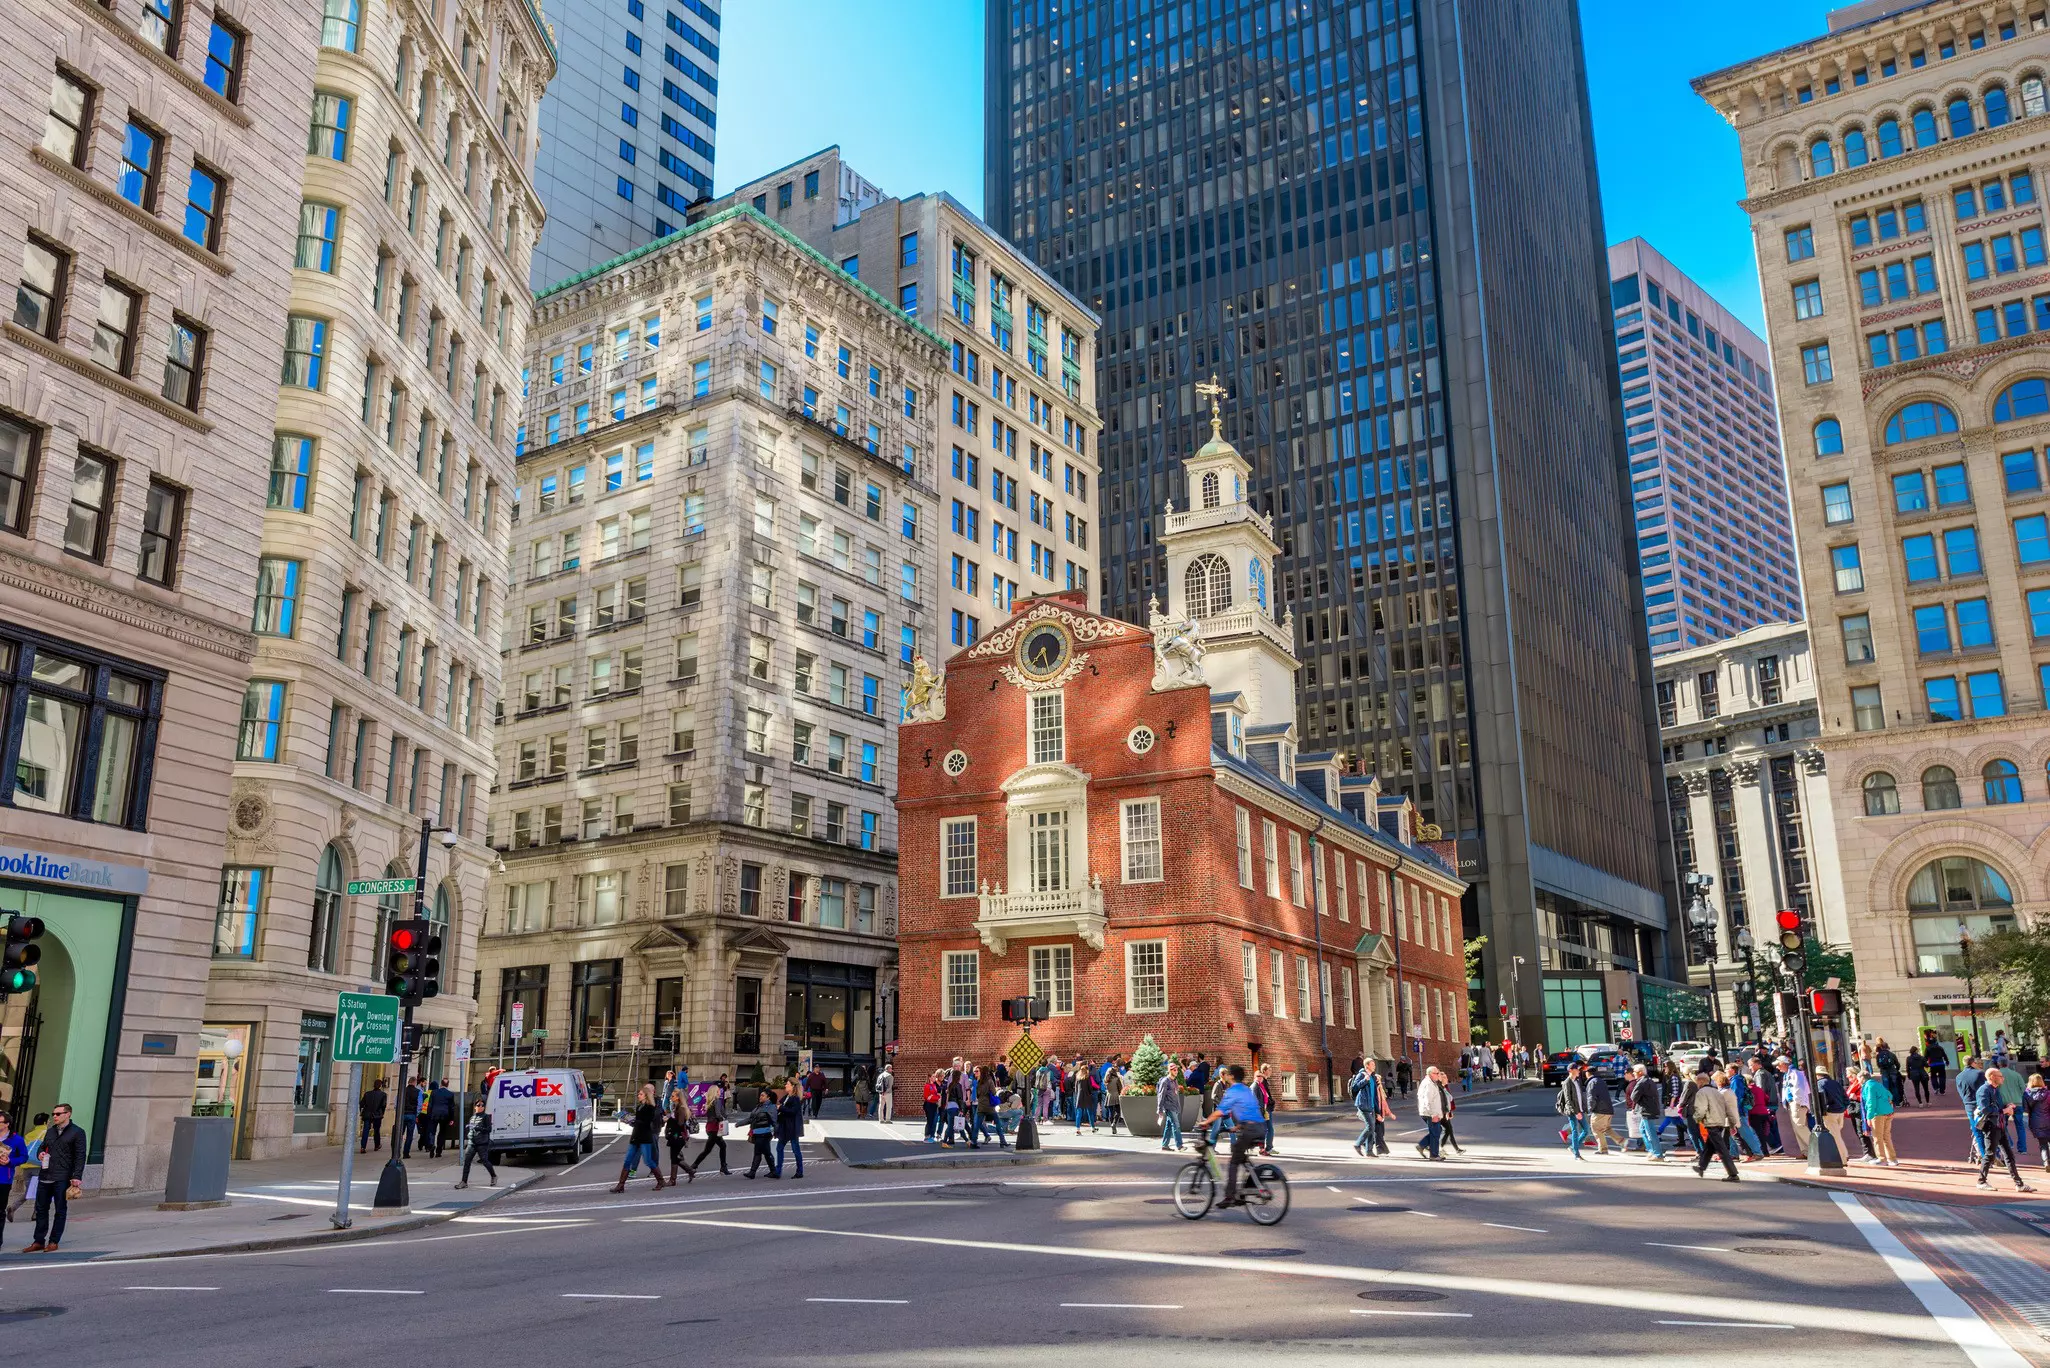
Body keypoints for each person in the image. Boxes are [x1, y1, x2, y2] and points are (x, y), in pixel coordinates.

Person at [1199, 1064, 1270, 1205]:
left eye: (1229, 1074)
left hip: (1250, 1129)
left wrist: (1206, 1122)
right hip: (1260, 1127)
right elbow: (1250, 1108)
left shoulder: (1233, 1090)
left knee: (1234, 1160)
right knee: (1240, 1155)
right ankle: (1247, 1186)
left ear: (1231, 1076)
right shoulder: (1246, 1089)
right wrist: (1237, 1126)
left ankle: (1230, 1196)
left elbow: (1221, 1110)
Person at [23, 1102, 86, 1254]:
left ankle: (53, 1241)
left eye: (58, 1114)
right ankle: (38, 1241)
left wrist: (76, 1176)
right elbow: (42, 1146)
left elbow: (80, 1156)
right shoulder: (50, 1131)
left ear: (68, 1114)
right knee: (41, 1209)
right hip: (45, 1175)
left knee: (60, 1209)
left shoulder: (77, 1132)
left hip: (62, 1177)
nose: (55, 1116)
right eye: (53, 1114)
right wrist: (40, 1153)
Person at [1976, 1067, 2034, 1192]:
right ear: (1992, 1077)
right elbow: (1985, 1110)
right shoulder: (1984, 1090)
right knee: (1990, 1154)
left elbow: (1997, 1106)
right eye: (2000, 1076)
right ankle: (1981, 1181)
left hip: (2000, 1126)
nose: (2003, 1078)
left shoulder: (1995, 1090)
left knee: (2009, 1155)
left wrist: (2007, 1106)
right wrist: (2004, 1110)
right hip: (1991, 1127)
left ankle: (2019, 1184)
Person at [609, 1084, 667, 1193]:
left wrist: (632, 1121)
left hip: (645, 1136)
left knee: (648, 1160)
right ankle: (621, 1185)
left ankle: (661, 1180)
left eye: (640, 1094)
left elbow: (645, 1122)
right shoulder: (640, 1107)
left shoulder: (650, 1107)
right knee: (627, 1161)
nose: (638, 1096)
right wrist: (628, 1120)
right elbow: (639, 1122)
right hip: (636, 1136)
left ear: (646, 1096)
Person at [1691, 1070, 1742, 1181]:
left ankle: (1733, 1174)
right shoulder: (1717, 1092)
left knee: (1721, 1149)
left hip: (1711, 1122)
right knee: (1709, 1146)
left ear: (1699, 1082)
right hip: (1720, 1122)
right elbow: (1727, 1108)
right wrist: (1733, 1123)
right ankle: (1701, 1167)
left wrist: (1696, 1119)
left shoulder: (1701, 1092)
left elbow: (1701, 1109)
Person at [7, 1112, 46, 1225]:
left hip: (26, 1166)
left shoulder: (29, 1134)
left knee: (30, 1190)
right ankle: (35, 1213)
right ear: (44, 1122)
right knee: (39, 1191)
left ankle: (14, 1207)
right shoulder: (47, 1133)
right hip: (39, 1166)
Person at [682, 1082, 729, 1177]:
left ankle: (722, 1166)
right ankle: (693, 1167)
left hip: (710, 1127)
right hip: (715, 1128)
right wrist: (724, 1120)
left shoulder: (710, 1102)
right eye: (718, 1090)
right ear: (715, 1092)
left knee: (719, 1147)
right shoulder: (716, 1101)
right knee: (711, 1149)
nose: (720, 1091)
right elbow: (718, 1114)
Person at [1350, 1059, 1393, 1157]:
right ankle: (1357, 1144)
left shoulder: (1373, 1077)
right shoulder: (1361, 1075)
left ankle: (1369, 1151)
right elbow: (1355, 1088)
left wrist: (1378, 1112)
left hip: (1371, 1105)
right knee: (1370, 1127)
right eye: (1372, 1064)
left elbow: (1374, 1096)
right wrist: (1365, 1080)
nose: (1374, 1066)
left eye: (1374, 1064)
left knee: (1372, 1128)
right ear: (1367, 1066)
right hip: (1363, 1104)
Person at [453, 1098, 497, 1189]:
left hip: (482, 1143)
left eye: (482, 1105)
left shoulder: (486, 1117)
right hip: (472, 1143)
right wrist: (468, 1133)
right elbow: (470, 1129)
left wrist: (479, 1128)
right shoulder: (472, 1117)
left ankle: (493, 1176)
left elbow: (489, 1130)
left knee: (484, 1160)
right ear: (475, 1107)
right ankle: (464, 1181)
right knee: (467, 1162)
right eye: (478, 1105)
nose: (480, 1107)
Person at [1860, 1066, 1899, 1167]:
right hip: (1888, 1112)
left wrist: (1869, 1117)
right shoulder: (1878, 1084)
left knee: (1877, 1137)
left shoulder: (1868, 1086)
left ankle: (1882, 1159)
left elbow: (1870, 1102)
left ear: (1862, 1078)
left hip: (1877, 1114)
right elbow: (1890, 1095)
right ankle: (1892, 1159)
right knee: (1886, 1136)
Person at [1628, 1064, 1667, 1162]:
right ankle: (1652, 1150)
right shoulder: (1649, 1080)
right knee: (1643, 1129)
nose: (1633, 1074)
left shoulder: (1642, 1082)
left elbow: (1633, 1096)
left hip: (1646, 1110)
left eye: (1635, 1072)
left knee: (1650, 1132)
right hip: (1649, 1109)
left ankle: (1657, 1154)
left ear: (1640, 1072)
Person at [1557, 1061, 1595, 1160]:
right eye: (1576, 1069)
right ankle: (1576, 1154)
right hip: (1573, 1111)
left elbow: (1580, 1096)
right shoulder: (1567, 1082)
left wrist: (1584, 1109)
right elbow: (1568, 1099)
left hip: (1580, 1110)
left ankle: (1573, 1147)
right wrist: (1576, 1112)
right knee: (1574, 1131)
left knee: (1586, 1130)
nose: (1578, 1070)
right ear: (1571, 1070)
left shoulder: (1577, 1081)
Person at [0, 1111, 27, 1250]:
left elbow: (24, 1157)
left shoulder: (17, 1140)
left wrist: (10, 1161)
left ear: (7, 1124)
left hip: (3, 1179)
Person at [1415, 1065, 1451, 1160]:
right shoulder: (1428, 1084)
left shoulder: (1432, 1082)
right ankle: (1434, 1155)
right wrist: (1433, 1114)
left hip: (1431, 1112)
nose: (1438, 1075)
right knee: (1435, 1132)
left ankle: (1422, 1145)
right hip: (1430, 1113)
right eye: (1436, 1073)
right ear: (1431, 1074)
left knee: (1437, 1130)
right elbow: (1428, 1101)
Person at [1778, 1056, 1813, 1154]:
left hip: (1796, 1103)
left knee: (1799, 1126)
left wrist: (1798, 1102)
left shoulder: (1796, 1073)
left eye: (1779, 1064)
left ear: (1784, 1064)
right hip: (1792, 1103)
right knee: (1798, 1127)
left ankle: (1815, 1148)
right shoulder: (1788, 1074)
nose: (1777, 1067)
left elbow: (1800, 1088)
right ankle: (1806, 1151)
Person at [1958, 1055, 1989, 1163]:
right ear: (1973, 1063)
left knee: (1977, 1131)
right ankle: (1992, 1153)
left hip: (1969, 1106)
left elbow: (1961, 1093)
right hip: (1981, 1104)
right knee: (1989, 1130)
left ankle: (1984, 1156)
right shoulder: (1979, 1073)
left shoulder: (1959, 1076)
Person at [662, 1086, 696, 1184]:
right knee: (676, 1157)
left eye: (672, 1096)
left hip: (678, 1136)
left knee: (674, 1157)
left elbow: (680, 1123)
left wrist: (670, 1120)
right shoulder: (676, 1107)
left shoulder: (680, 1108)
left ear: (677, 1097)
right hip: (676, 1136)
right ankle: (690, 1171)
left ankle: (673, 1180)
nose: (671, 1098)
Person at [743, 1088, 778, 1178]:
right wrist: (740, 1123)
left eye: (763, 1095)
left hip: (765, 1133)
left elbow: (774, 1121)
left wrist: (776, 1132)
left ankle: (752, 1172)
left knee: (758, 1152)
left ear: (768, 1097)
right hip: (757, 1132)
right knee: (766, 1153)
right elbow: (751, 1118)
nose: (760, 1097)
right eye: (760, 1095)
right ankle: (773, 1171)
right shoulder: (759, 1106)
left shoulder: (771, 1107)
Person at [775, 1079, 806, 1177]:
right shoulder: (786, 1097)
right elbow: (779, 1104)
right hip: (784, 1126)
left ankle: (799, 1171)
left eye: (787, 1084)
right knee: (779, 1148)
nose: (785, 1085)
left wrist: (781, 1108)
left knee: (795, 1149)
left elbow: (793, 1111)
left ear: (792, 1086)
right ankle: (778, 1171)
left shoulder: (795, 1098)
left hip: (792, 1127)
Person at [426, 1078, 457, 1158]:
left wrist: (429, 1114)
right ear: (448, 1085)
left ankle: (432, 1144)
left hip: (434, 1113)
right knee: (442, 1132)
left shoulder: (434, 1092)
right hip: (445, 1114)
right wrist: (451, 1119)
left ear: (441, 1084)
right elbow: (452, 1108)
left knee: (432, 1131)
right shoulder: (450, 1094)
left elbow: (430, 1105)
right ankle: (439, 1151)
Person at [2026, 1074, 2050, 1172]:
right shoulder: (2048, 1093)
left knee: (2042, 1143)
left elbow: (2026, 1109)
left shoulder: (2027, 1094)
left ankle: (2046, 1161)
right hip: (2048, 1119)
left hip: (2036, 1121)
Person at [1253, 1064, 1277, 1155]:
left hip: (1265, 1108)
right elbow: (1256, 1098)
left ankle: (1266, 1148)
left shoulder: (1262, 1083)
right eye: (1269, 1070)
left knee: (1266, 1129)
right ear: (1264, 1071)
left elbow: (1265, 1096)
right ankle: (1266, 1148)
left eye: (1261, 1077)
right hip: (1263, 1110)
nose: (1271, 1071)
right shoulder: (1257, 1085)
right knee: (1267, 1129)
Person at [359, 1077, 388, 1153]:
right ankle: (377, 1145)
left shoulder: (367, 1094)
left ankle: (363, 1147)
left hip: (367, 1114)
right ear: (380, 1086)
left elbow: (361, 1104)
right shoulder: (383, 1094)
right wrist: (382, 1113)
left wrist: (362, 1112)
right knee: (376, 1130)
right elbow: (383, 1105)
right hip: (377, 1115)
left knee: (365, 1130)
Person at [1158, 1068, 1184, 1151]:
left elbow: (1176, 1094)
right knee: (1176, 1125)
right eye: (1174, 1070)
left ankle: (1165, 1145)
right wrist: (1159, 1109)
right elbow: (1161, 1095)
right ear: (1169, 1071)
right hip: (1169, 1106)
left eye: (1176, 1070)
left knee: (1169, 1126)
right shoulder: (1165, 1081)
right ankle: (1179, 1146)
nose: (1176, 1071)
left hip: (1175, 1106)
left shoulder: (1175, 1081)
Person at [397, 1077, 422, 1158]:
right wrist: (416, 1113)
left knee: (399, 1134)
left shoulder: (402, 1090)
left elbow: (396, 1103)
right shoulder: (418, 1092)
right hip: (412, 1114)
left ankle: (397, 1152)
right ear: (415, 1083)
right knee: (409, 1135)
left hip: (402, 1114)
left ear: (408, 1082)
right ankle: (406, 1153)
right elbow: (419, 1105)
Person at [1102, 1063, 1125, 1136]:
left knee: (1110, 1113)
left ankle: (1112, 1125)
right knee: (1118, 1112)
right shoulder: (1116, 1079)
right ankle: (1114, 1123)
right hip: (1116, 1096)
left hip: (1109, 1096)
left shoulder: (1106, 1080)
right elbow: (1120, 1088)